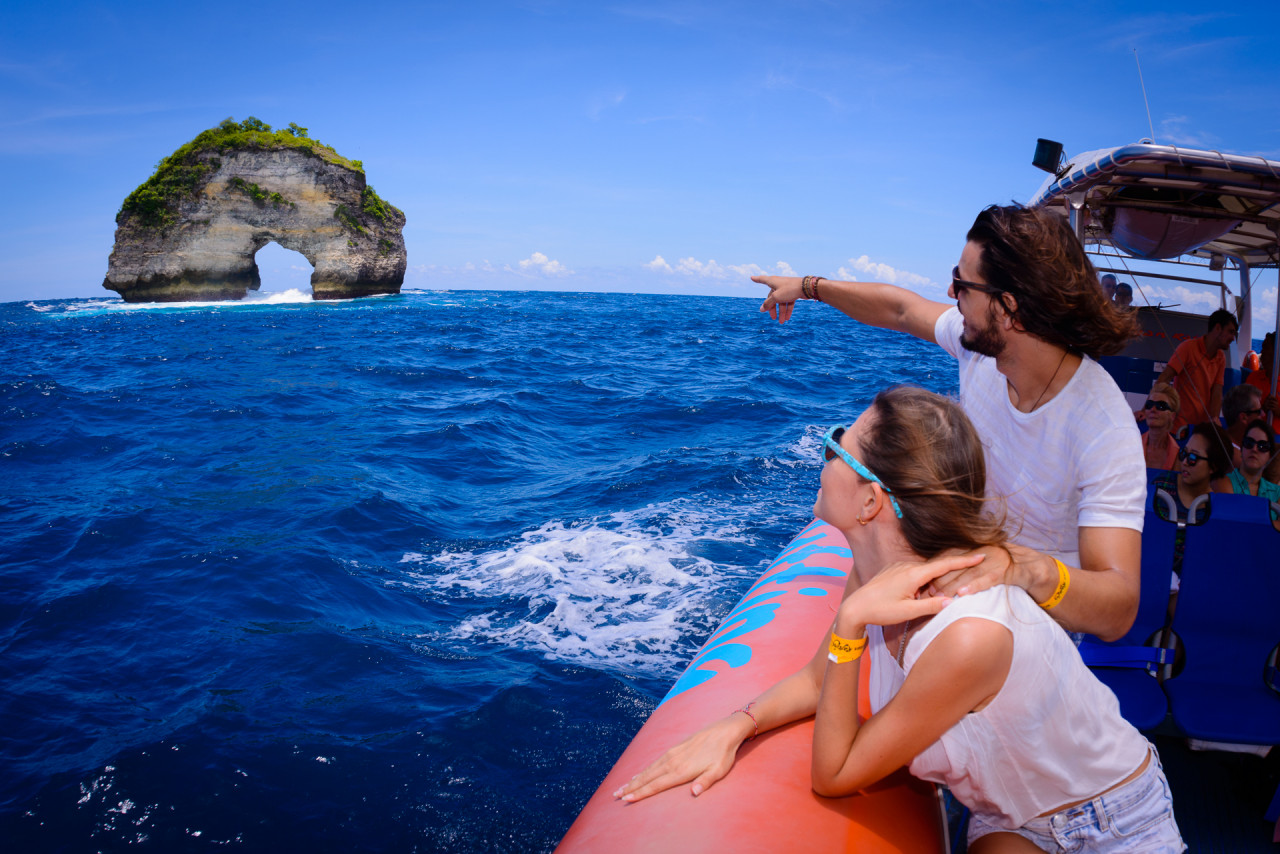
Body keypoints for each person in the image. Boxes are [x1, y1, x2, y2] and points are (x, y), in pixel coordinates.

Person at [618, 387, 1185, 853]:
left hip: (1113, 822)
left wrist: (849, 628)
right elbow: (819, 682)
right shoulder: (875, 572)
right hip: (1009, 815)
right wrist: (736, 725)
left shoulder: (967, 634)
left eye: (839, 444)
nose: (827, 449)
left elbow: (834, 773)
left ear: (870, 503)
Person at [755, 204, 1145, 642]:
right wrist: (808, 287)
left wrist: (1023, 568)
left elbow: (1118, 606)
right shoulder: (981, 348)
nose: (949, 291)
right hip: (952, 583)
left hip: (1019, 639)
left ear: (1008, 308)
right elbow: (901, 310)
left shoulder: (1102, 428)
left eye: (961, 284)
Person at [1152, 422, 1231, 574]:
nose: (1185, 462)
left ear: (1213, 467)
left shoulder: (1214, 510)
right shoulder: (1161, 484)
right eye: (1184, 453)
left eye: (1193, 457)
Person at [1154, 310, 1238, 432]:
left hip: (1201, 430)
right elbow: (1165, 378)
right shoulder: (1187, 347)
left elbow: (1217, 392)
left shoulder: (1221, 358)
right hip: (1179, 427)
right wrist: (1147, 407)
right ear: (1218, 328)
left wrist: (1214, 419)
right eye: (1230, 332)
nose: (1233, 338)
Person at [1227, 419, 1280, 503]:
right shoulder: (1224, 482)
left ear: (1270, 456)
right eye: (1249, 443)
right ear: (1241, 448)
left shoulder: (1277, 493)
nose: (1254, 449)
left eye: (1262, 446)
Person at [1221, 383, 1264, 469]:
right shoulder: (1236, 459)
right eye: (1258, 412)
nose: (1263, 414)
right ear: (1244, 418)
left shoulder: (1227, 442)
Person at [1141, 384, 1180, 470]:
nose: (1153, 409)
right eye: (1149, 405)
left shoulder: (1178, 456)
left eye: (1161, 406)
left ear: (1172, 416)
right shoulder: (1132, 446)